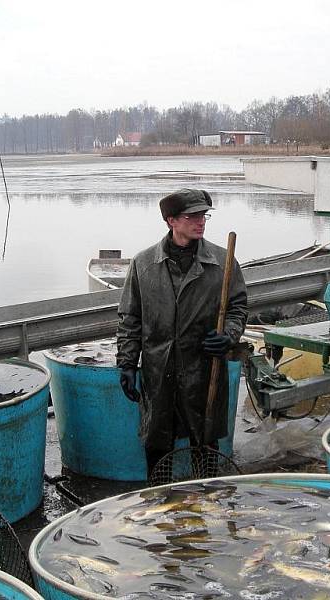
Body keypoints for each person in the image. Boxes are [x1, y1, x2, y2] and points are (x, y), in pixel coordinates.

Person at [116, 188, 248, 476]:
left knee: (205, 441)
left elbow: (238, 308)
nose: (200, 222)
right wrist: (127, 363)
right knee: (157, 441)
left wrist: (228, 335)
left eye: (204, 216)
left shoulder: (223, 263)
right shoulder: (143, 264)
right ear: (171, 221)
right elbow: (130, 318)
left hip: (204, 369)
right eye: (192, 216)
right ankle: (160, 500)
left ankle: (205, 498)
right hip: (158, 371)